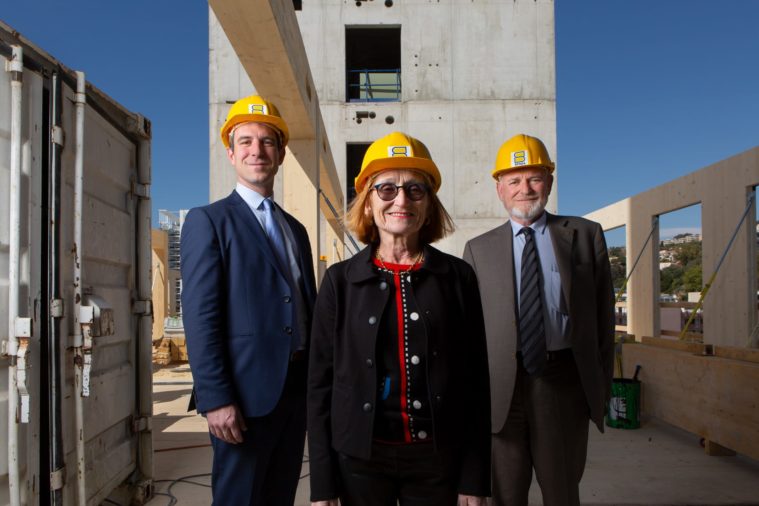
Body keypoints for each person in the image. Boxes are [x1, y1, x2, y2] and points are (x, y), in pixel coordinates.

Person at [308, 132, 491, 506]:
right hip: (359, 461)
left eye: (415, 190)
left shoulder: (458, 278)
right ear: (368, 202)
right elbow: (320, 388)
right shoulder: (339, 282)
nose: (401, 200)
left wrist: (474, 477)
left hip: (437, 460)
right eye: (386, 189)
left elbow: (476, 383)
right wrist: (323, 484)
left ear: (429, 205)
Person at [463, 134, 615, 506]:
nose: (524, 189)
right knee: (505, 494)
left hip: (561, 382)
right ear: (499, 189)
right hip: (501, 390)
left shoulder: (584, 235)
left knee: (561, 491)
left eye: (534, 178)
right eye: (513, 181)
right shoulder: (477, 249)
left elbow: (603, 319)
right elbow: (467, 334)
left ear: (549, 181)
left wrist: (599, 386)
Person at [181, 95, 317, 505]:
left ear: (280, 153)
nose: (256, 150)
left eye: (267, 141)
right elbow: (201, 317)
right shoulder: (209, 222)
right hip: (242, 398)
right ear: (230, 152)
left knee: (280, 495)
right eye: (245, 141)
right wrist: (216, 398)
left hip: (294, 392)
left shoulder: (295, 230)